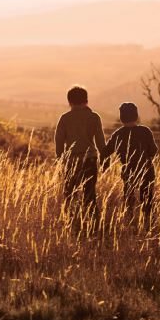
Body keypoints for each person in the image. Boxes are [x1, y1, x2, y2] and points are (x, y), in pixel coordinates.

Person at [54, 85, 106, 230]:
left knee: (70, 195)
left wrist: (60, 161)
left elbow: (59, 141)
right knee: (90, 195)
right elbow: (101, 142)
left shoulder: (64, 118)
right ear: (86, 100)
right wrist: (105, 160)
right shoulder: (94, 117)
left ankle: (72, 226)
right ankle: (94, 228)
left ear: (69, 101)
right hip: (89, 160)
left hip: (71, 162)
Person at [104, 102, 157, 228]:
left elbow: (106, 151)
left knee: (129, 197)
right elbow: (153, 150)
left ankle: (129, 223)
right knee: (147, 198)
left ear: (122, 117)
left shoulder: (118, 134)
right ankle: (147, 224)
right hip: (146, 169)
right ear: (136, 116)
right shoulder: (145, 131)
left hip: (128, 170)